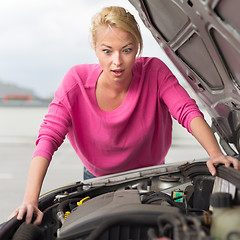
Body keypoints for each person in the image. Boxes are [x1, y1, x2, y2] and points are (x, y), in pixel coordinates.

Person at [9, 6, 239, 225]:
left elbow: (186, 111)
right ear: (95, 48)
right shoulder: (75, 82)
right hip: (97, 180)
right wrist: (30, 200)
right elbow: (48, 138)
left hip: (154, 176)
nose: (117, 62)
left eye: (126, 50)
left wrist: (215, 153)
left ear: (138, 48)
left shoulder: (154, 72)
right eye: (107, 51)